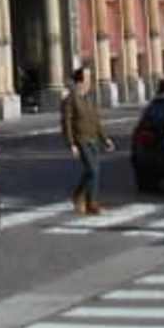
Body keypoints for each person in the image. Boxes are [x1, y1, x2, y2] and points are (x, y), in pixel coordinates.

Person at [60, 65, 112, 215]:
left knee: (95, 171)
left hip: (93, 138)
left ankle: (90, 203)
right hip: (81, 139)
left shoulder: (89, 98)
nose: (90, 81)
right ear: (79, 81)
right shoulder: (70, 99)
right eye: (87, 78)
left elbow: (96, 121)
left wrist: (105, 139)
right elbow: (66, 122)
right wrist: (71, 143)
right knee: (92, 169)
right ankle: (80, 196)